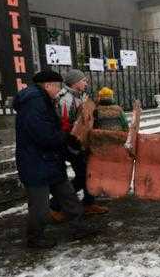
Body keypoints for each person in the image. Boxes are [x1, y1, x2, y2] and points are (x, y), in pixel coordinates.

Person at [13, 70, 95, 249]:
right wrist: (65, 137)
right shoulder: (33, 103)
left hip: (50, 160)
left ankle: (79, 228)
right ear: (48, 85)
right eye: (57, 86)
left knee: (69, 198)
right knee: (39, 207)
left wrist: (66, 138)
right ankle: (35, 239)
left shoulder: (43, 100)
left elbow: (52, 129)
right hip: (35, 162)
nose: (59, 90)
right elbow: (42, 134)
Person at [51, 69, 108, 221]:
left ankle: (89, 203)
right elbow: (64, 126)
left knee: (91, 172)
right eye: (83, 80)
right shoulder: (65, 99)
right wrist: (73, 145)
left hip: (83, 142)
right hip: (71, 144)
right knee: (83, 175)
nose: (86, 83)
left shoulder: (80, 95)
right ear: (75, 82)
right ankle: (54, 206)